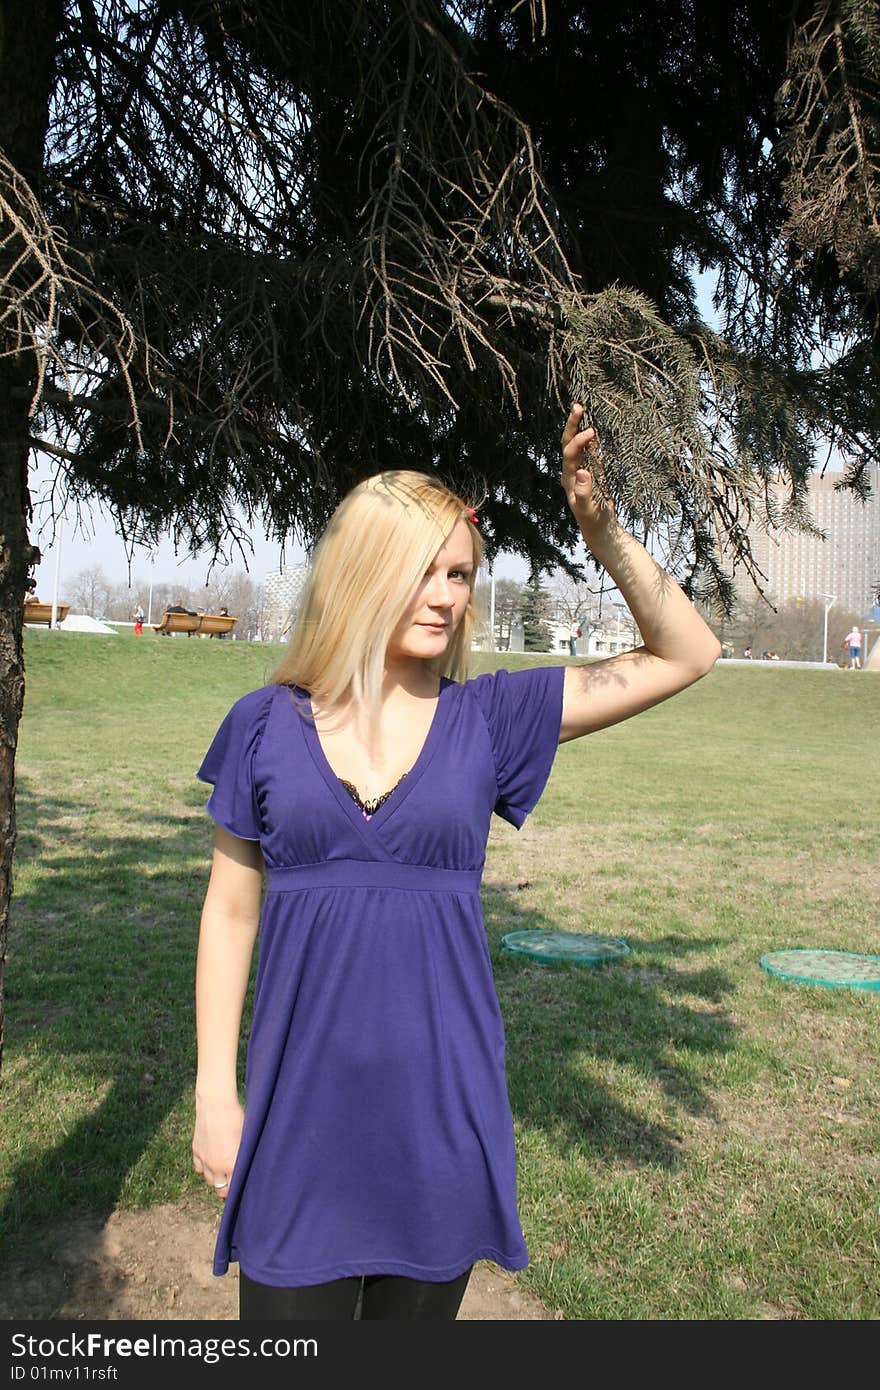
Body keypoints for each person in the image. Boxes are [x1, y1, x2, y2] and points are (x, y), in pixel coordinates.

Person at [191, 403, 721, 1322]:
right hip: (294, 1125)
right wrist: (212, 1092)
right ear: (361, 576)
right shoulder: (261, 725)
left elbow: (688, 652)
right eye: (422, 574)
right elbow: (231, 913)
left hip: (441, 1123)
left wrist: (600, 528)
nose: (446, 596)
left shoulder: (491, 721)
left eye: (460, 575)